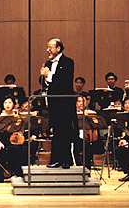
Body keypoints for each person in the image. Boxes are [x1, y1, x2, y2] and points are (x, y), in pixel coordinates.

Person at [40, 37, 77, 169]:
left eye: (50, 47)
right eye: (47, 47)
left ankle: (66, 160)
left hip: (65, 103)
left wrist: (48, 75)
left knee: (65, 131)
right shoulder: (48, 62)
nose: (48, 50)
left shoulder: (68, 62)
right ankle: (55, 160)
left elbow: (64, 81)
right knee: (55, 131)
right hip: (54, 103)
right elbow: (45, 83)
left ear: (58, 48)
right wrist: (45, 76)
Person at [0, 95, 25, 183]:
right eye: (5, 103)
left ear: (13, 104)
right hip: (1, 142)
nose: (7, 105)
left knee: (17, 149)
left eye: (10, 103)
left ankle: (18, 174)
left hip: (13, 141)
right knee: (0, 150)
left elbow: (20, 130)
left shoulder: (17, 117)